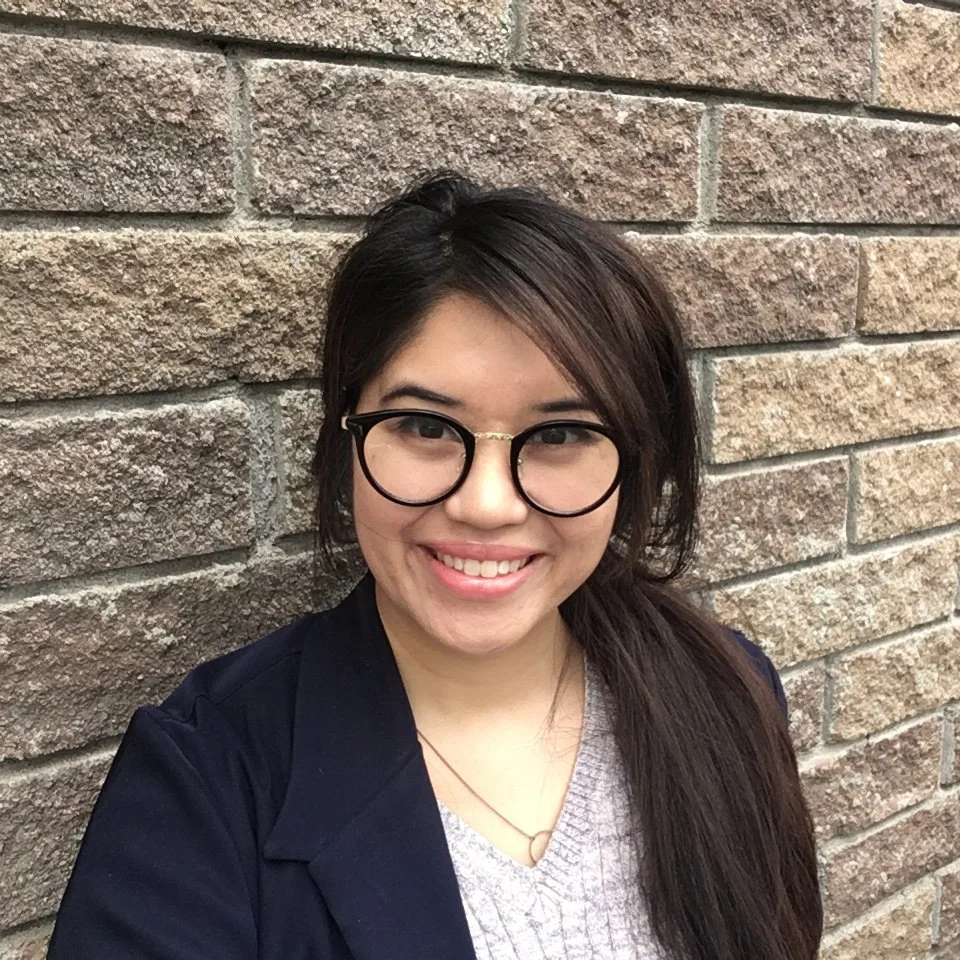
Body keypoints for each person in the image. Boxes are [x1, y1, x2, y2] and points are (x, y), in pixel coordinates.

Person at [48, 172, 822, 960]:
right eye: (424, 425)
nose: (486, 505)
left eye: (559, 436)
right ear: (346, 435)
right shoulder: (207, 776)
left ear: (634, 463)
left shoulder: (728, 692)